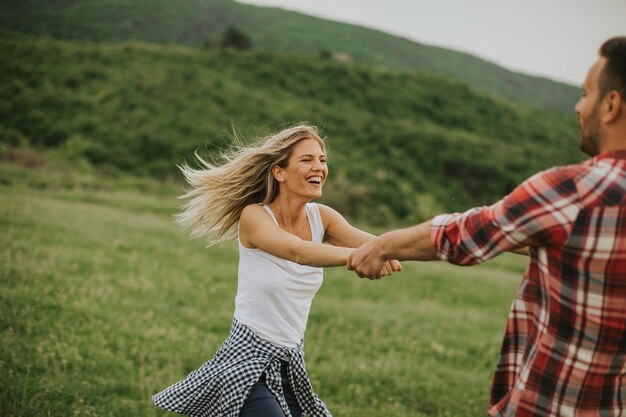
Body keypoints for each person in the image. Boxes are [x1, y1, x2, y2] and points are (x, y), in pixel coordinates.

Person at [347, 36, 626, 417]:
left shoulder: (574, 190)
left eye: (586, 94)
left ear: (611, 105)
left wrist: (383, 245)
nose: (578, 106)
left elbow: (464, 233)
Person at [152, 124, 401, 417]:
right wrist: (361, 258)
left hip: (290, 362)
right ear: (279, 172)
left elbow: (382, 245)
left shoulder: (323, 217)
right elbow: (299, 251)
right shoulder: (255, 216)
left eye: (322, 159)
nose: (319, 166)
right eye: (306, 159)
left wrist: (439, 244)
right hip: (247, 359)